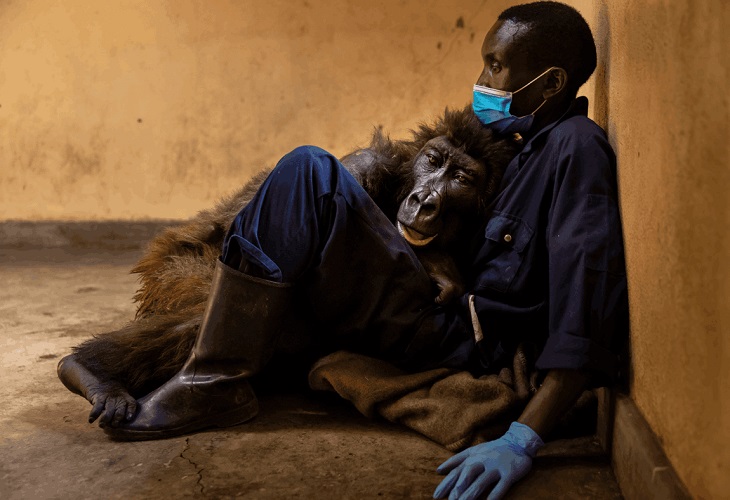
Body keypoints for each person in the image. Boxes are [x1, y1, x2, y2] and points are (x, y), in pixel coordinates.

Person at [105, 2, 628, 499]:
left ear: (553, 82)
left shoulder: (574, 149)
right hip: (430, 301)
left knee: (311, 171)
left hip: (454, 337)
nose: (483, 83)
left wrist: (522, 439)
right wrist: (434, 259)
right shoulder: (513, 145)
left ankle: (213, 381)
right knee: (316, 190)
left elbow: (585, 305)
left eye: (495, 67)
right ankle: (205, 366)